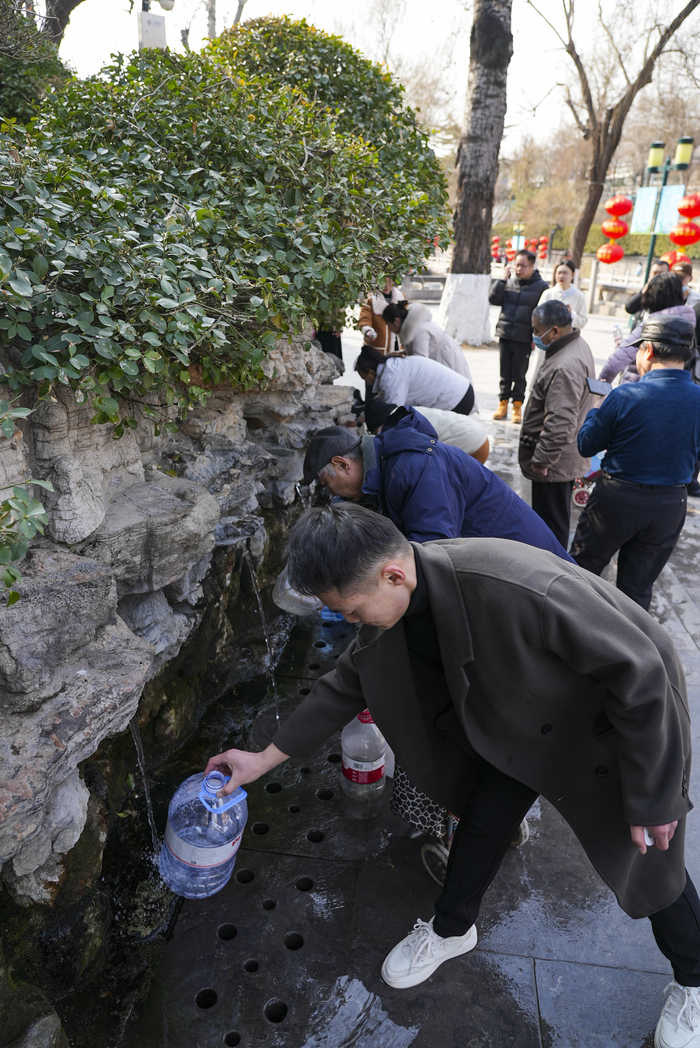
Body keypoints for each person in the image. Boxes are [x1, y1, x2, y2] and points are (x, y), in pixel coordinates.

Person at [205, 503, 698, 1048]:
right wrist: (261, 760)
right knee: (482, 823)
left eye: (352, 611)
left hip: (608, 722)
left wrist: (657, 795)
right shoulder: (397, 600)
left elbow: (645, 671)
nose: (350, 623)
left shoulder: (516, 585)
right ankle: (450, 929)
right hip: (520, 726)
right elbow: (344, 685)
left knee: (649, 856)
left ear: (393, 574)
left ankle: (695, 978)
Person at [570, 314, 700, 611]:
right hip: (670, 505)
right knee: (637, 591)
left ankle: (568, 632)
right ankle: (629, 639)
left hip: (616, 500)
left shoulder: (625, 395)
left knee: (580, 574)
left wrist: (596, 409)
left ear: (648, 350)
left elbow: (586, 445)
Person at [302, 416, 571, 556]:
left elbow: (433, 550)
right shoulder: (385, 465)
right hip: (497, 550)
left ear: (343, 464)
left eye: (327, 483)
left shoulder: (413, 467)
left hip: (526, 556)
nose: (331, 493)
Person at [519, 300, 595, 548]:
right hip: (563, 456)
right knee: (553, 521)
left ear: (554, 331)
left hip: (555, 462)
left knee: (550, 526)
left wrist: (543, 460)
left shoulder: (565, 366)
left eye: (537, 330)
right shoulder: (576, 344)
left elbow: (560, 422)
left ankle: (550, 566)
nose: (534, 335)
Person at [599, 272, 696, 384]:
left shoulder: (654, 324)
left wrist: (600, 386)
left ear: (654, 295)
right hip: (676, 383)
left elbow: (617, 360)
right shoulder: (688, 318)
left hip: (640, 385)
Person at [489, 249, 548, 424]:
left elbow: (542, 316)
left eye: (523, 265)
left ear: (532, 265)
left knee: (519, 374)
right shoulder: (509, 282)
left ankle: (517, 406)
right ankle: (502, 404)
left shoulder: (541, 287)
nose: (519, 269)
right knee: (504, 373)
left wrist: (536, 337)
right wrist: (502, 280)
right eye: (517, 265)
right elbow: (493, 299)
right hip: (506, 334)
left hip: (524, 338)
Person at [355, 344, 475, 415]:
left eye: (363, 377)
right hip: (462, 391)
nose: (366, 381)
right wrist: (360, 418)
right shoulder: (392, 366)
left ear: (371, 372)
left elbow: (393, 411)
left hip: (456, 399)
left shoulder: (392, 375)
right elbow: (383, 401)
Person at [364, 398, 489, 465]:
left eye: (375, 431)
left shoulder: (398, 427)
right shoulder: (406, 411)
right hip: (478, 433)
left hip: (471, 443)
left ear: (379, 424)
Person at [381, 301, 473, 380]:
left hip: (447, 360)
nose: (389, 329)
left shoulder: (419, 331)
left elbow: (420, 360)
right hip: (443, 360)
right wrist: (402, 354)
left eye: (388, 325)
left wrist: (401, 360)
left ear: (397, 321)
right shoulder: (412, 328)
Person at [358, 276, 406, 355]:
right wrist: (368, 331)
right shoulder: (370, 299)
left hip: (398, 347)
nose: (387, 286)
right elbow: (364, 319)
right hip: (377, 349)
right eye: (383, 282)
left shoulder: (402, 297)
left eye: (389, 282)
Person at [538, 259, 588, 328]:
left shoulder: (579, 296)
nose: (561, 276)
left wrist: (571, 314)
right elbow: (538, 315)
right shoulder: (548, 293)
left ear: (573, 275)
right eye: (559, 273)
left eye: (565, 273)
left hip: (570, 334)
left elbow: (583, 320)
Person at [624, 259, 669, 328]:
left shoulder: (670, 294)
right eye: (655, 273)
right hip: (638, 330)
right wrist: (644, 292)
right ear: (650, 273)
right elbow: (629, 308)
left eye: (661, 273)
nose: (657, 276)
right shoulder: (645, 291)